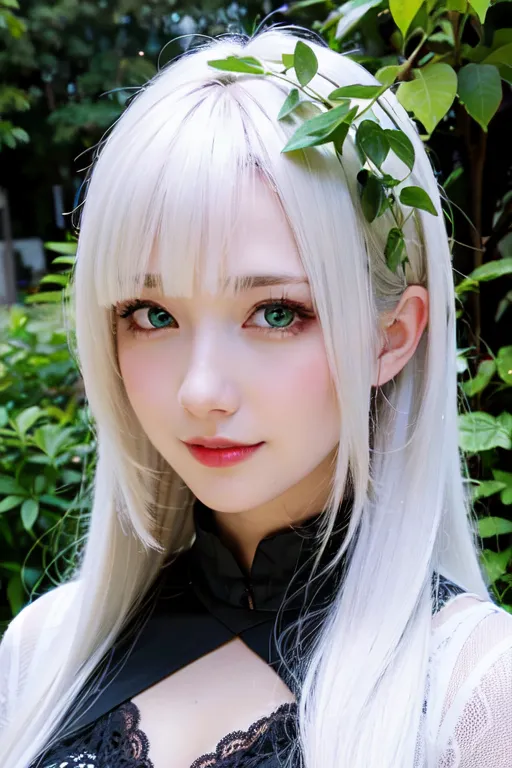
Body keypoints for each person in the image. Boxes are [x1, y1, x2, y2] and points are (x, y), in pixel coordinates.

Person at [0, 24, 511, 768]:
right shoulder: (41, 652)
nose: (201, 391)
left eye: (277, 313)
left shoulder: (476, 697)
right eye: (153, 315)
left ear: (392, 336)